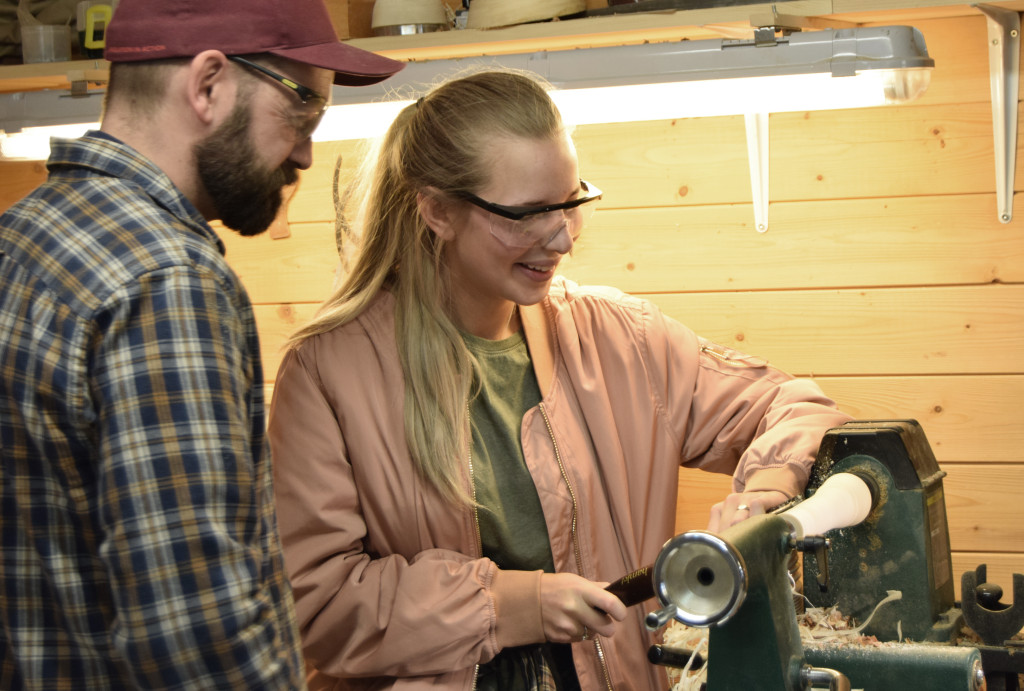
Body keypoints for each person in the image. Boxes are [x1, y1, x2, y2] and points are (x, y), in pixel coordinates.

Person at [267, 70, 852, 691]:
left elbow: (794, 407)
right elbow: (316, 603)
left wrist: (760, 499)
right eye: (526, 215)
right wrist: (514, 604)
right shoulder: (326, 374)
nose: (562, 238)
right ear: (436, 211)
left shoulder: (619, 337)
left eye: (572, 202)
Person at [0, 0, 403, 687]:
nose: (306, 150)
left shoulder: (21, 238)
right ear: (209, 84)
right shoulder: (167, 280)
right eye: (302, 111)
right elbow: (196, 635)